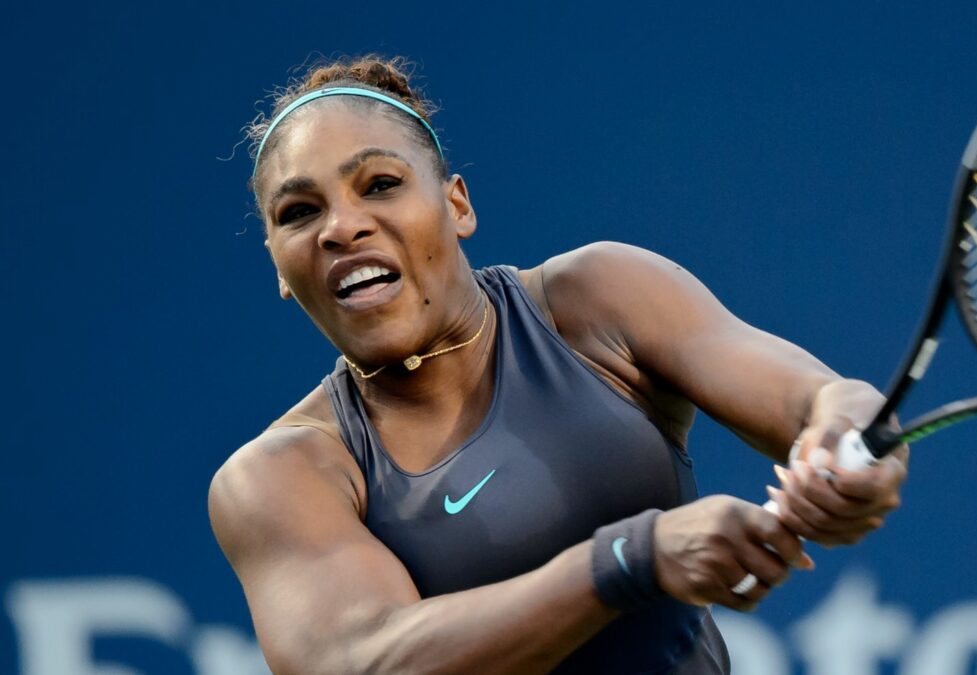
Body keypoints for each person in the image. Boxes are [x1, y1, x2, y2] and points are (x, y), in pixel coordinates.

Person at [208, 56, 909, 675]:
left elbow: (823, 399)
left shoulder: (597, 298)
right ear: (278, 262)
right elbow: (363, 661)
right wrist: (630, 559)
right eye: (300, 211)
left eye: (381, 184)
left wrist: (845, 446)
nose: (341, 226)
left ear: (457, 205)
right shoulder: (278, 477)